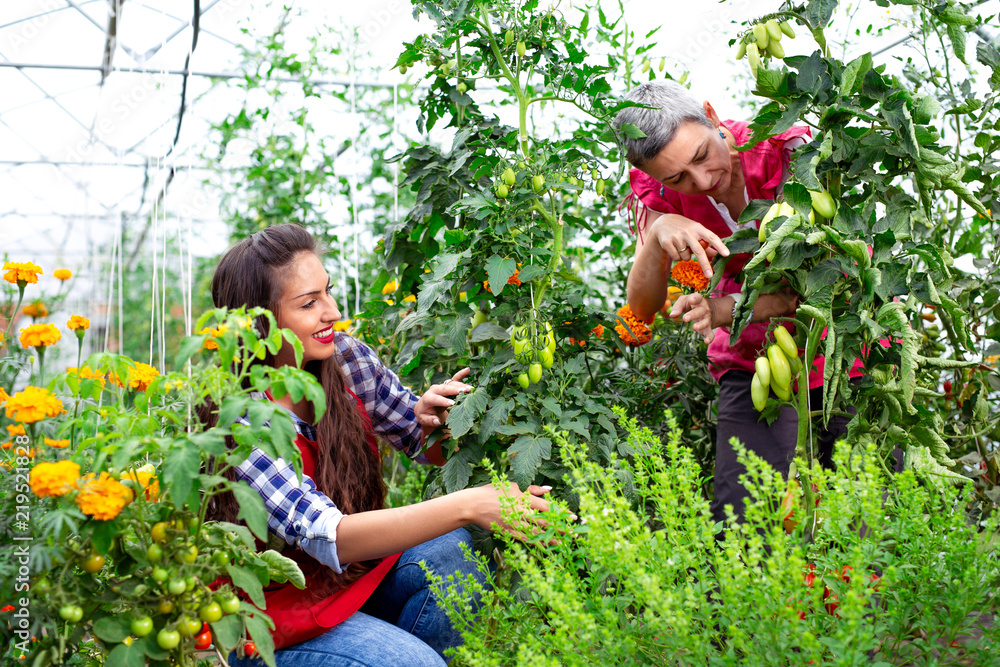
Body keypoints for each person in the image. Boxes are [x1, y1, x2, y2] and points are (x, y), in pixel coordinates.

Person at [207, 223, 550, 666]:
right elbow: (327, 535)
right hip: (270, 619)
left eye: (327, 292)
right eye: (309, 303)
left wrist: (438, 418)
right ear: (259, 322)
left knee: (454, 556)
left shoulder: (346, 360)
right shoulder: (240, 414)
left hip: (347, 584)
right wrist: (469, 503)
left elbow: (422, 442)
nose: (331, 311)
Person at [614, 80, 854, 526]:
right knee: (746, 521)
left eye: (702, 155)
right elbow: (641, 309)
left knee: (864, 516)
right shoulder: (657, 193)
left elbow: (818, 282)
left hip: (843, 350)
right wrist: (658, 232)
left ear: (712, 112)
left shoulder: (789, 150)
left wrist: (729, 310)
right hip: (752, 362)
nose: (701, 181)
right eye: (677, 178)